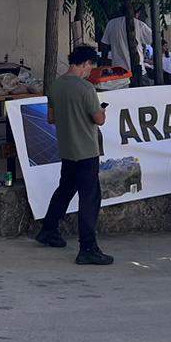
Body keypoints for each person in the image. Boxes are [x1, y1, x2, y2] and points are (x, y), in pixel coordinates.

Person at [35, 45, 113, 265]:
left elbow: (51, 118)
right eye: (90, 67)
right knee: (89, 198)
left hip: (67, 148)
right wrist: (102, 111)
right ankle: (87, 247)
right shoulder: (86, 88)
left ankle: (48, 229)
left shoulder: (56, 85)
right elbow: (99, 120)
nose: (89, 72)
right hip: (86, 150)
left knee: (65, 190)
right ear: (85, 63)